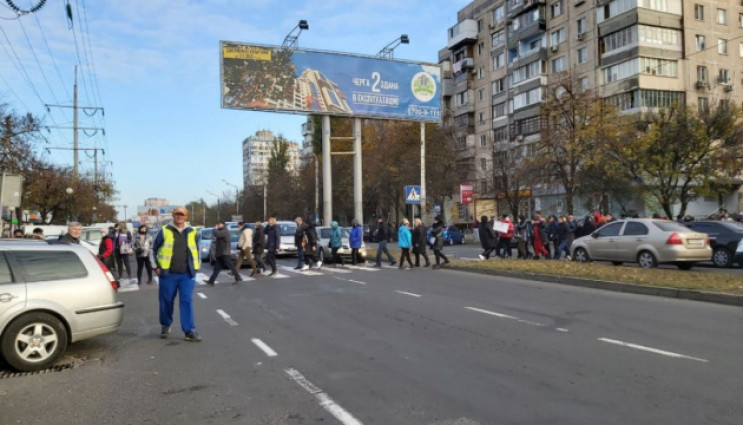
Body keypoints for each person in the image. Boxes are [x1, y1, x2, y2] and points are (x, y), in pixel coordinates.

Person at [150, 206, 201, 342]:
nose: (179, 217)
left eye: (182, 214)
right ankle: (166, 325)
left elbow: (197, 250)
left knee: (187, 301)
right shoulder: (164, 231)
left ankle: (189, 331)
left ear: (186, 216)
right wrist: (156, 267)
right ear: (173, 216)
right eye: (177, 214)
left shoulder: (193, 231)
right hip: (168, 274)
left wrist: (196, 267)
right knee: (166, 301)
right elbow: (152, 249)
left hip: (187, 274)